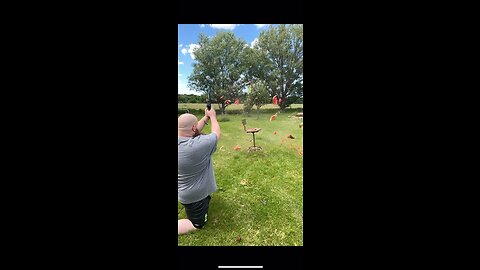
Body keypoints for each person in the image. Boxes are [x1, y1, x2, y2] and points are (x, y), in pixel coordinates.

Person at [178, 107, 221, 235]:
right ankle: (195, 221)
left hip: (184, 191)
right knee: (197, 224)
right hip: (194, 197)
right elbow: (216, 134)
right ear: (193, 128)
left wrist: (205, 117)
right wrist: (212, 116)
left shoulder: (185, 140)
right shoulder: (198, 145)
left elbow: (191, 131)